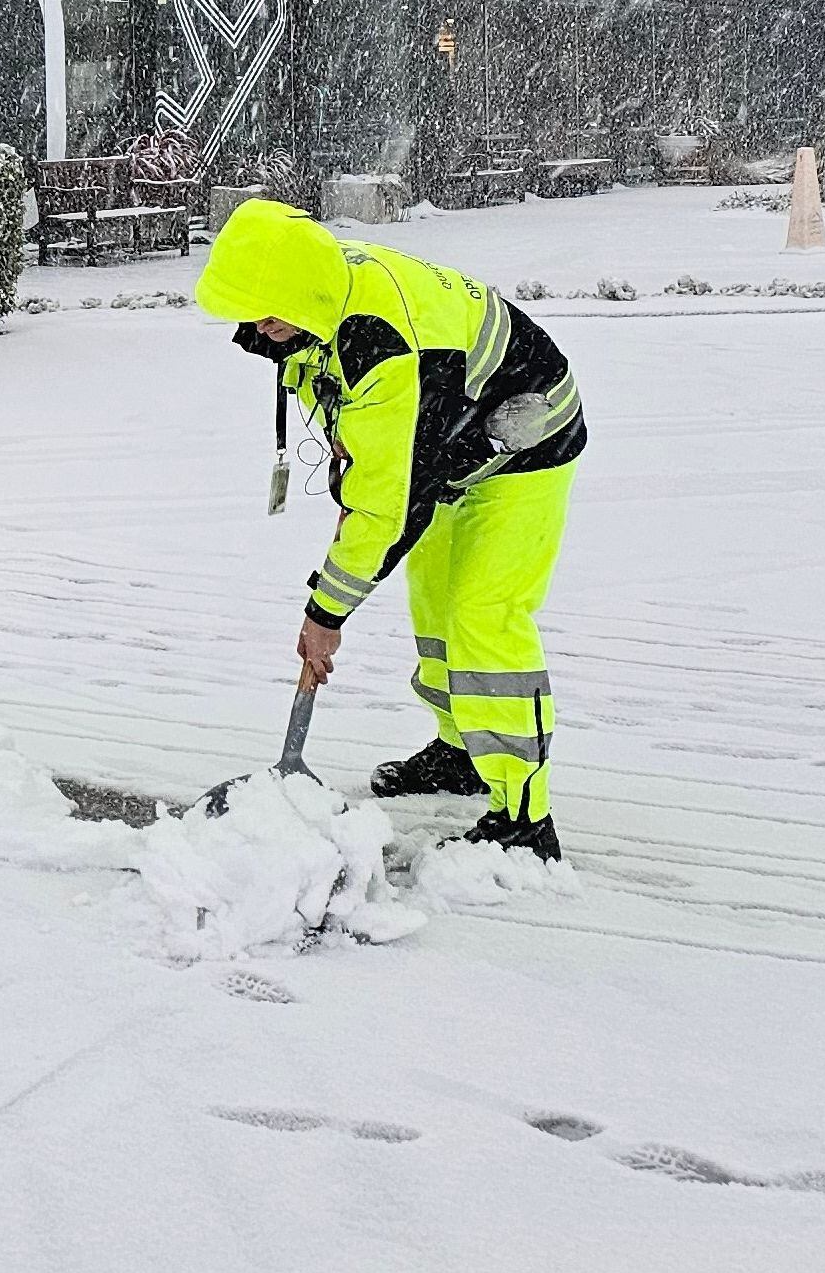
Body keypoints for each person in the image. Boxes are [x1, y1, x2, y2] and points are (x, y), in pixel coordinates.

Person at [195, 199, 586, 860]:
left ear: (299, 293)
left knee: (483, 619)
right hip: (451, 443)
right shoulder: (316, 304)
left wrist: (326, 612)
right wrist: (360, 475)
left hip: (525, 442)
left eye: (264, 310)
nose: (254, 325)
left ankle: (525, 815)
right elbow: (374, 449)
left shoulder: (382, 340)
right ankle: (463, 749)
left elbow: (389, 511)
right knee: (435, 607)